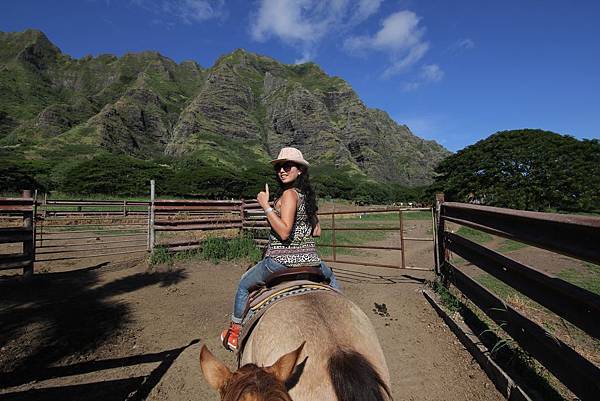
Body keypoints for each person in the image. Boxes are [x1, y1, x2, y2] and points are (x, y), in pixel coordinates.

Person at [221, 147, 339, 351]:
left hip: (280, 261)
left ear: (299, 169)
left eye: (287, 166)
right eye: (279, 167)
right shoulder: (305, 196)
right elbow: (317, 230)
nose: (282, 171)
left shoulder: (289, 194)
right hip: (311, 261)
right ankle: (338, 313)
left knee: (243, 285)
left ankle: (235, 332)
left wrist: (265, 206)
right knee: (333, 280)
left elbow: (284, 232)